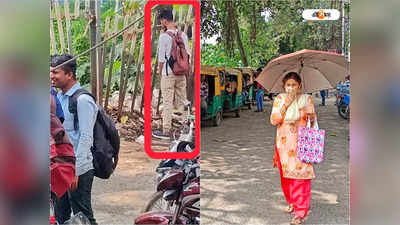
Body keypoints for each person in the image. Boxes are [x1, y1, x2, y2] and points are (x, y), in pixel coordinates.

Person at [50, 54, 98, 225]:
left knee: (83, 215)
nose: (51, 76)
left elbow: (86, 138)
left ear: (69, 75)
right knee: (60, 215)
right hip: (61, 167)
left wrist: (75, 171)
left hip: (79, 169)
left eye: (55, 72)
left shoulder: (83, 100)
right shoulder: (59, 98)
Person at [270, 72, 317, 225]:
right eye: (288, 85)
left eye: (294, 85)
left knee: (300, 178)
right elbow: (274, 120)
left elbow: (312, 122)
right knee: (286, 178)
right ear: (284, 86)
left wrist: (312, 117)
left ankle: (300, 212)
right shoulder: (279, 99)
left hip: (301, 144)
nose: (290, 88)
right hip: (283, 145)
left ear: (299, 86)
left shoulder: (306, 99)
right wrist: (286, 104)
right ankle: (292, 201)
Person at [152, 9, 191, 140]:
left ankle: (166, 130)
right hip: (181, 73)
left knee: (168, 102)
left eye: (161, 21)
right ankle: (186, 128)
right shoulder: (183, 35)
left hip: (168, 74)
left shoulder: (164, 37)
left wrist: (160, 71)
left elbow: (162, 59)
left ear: (164, 20)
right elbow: (188, 56)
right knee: (183, 101)